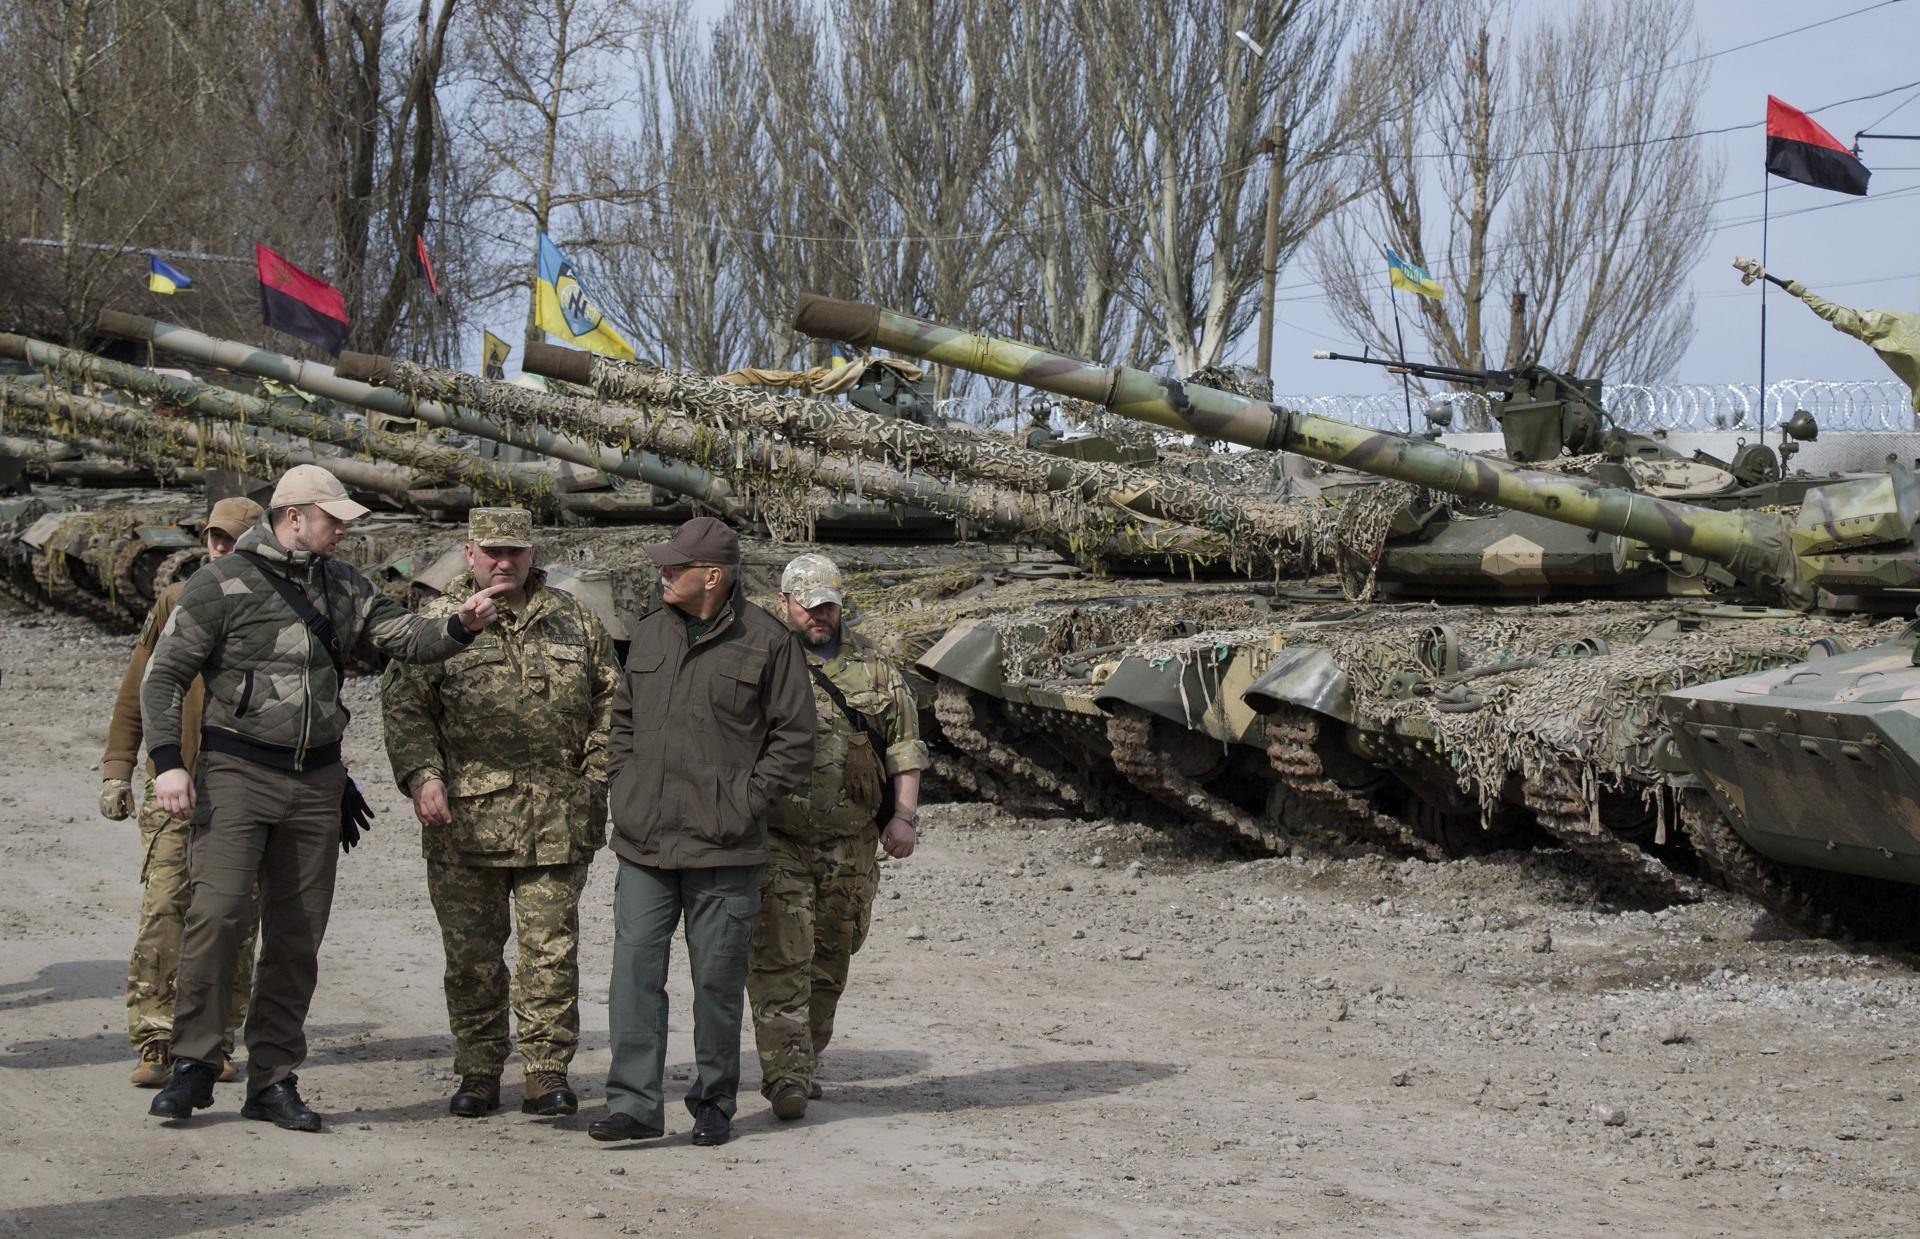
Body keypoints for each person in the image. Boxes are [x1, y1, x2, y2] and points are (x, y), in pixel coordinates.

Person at [141, 464, 506, 1131]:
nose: (341, 529)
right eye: (332, 518)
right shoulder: (219, 583)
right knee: (216, 916)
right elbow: (164, 677)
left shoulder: (344, 584)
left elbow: (404, 638)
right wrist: (168, 764)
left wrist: (461, 624)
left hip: (316, 783)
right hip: (236, 773)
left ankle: (273, 1076)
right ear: (293, 516)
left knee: (298, 935)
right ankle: (194, 1060)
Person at [380, 508, 617, 1120]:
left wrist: (591, 781)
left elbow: (612, 706)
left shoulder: (573, 620)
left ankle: (545, 1070)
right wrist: (423, 777)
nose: (504, 562)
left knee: (550, 951)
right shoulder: (435, 625)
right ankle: (479, 1069)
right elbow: (406, 711)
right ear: (469, 552)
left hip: (557, 818)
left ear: (533, 553)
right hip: (464, 823)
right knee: (473, 956)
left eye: (516, 550)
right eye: (492, 551)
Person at [593, 516, 814, 1147]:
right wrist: (624, 783)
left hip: (725, 846)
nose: (663, 572)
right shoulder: (647, 633)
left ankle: (713, 1099)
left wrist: (743, 801)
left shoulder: (769, 642)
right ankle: (634, 1102)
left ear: (712, 576)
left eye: (675, 566)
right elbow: (623, 720)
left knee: (717, 982)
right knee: (633, 975)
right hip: (645, 842)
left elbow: (795, 740)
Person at [749, 554, 924, 1121]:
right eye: (810, 605)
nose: (821, 615)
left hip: (851, 842)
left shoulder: (872, 664)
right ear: (785, 604)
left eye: (829, 605)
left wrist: (903, 817)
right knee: (782, 955)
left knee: (830, 957)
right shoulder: (763, 660)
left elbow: (904, 744)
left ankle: (808, 1057)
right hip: (779, 837)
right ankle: (786, 1074)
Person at [99, 496, 264, 1087]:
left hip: (247, 790)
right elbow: (138, 688)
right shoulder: (175, 600)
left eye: (234, 541)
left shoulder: (273, 599)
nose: (221, 550)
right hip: (177, 783)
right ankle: (157, 1038)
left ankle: (216, 1040)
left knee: (232, 919)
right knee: (166, 907)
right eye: (215, 539)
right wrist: (119, 766)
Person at [1734, 256, 1920, 413]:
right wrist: (1804, 294)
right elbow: (1851, 319)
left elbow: (1850, 319)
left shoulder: (1906, 326)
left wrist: (1804, 294)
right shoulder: (1906, 327)